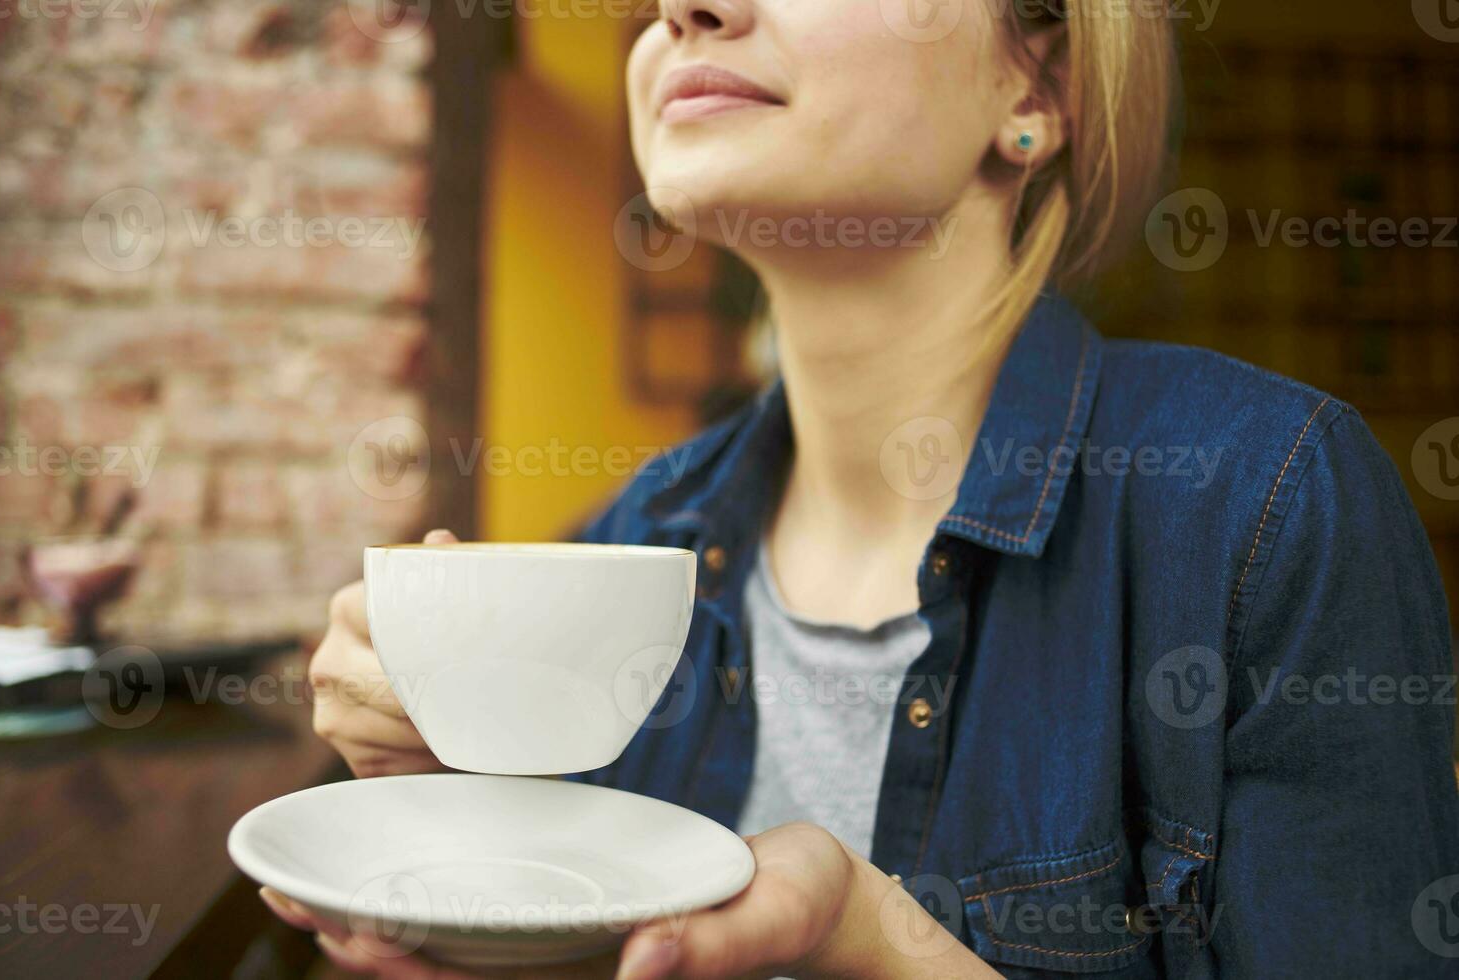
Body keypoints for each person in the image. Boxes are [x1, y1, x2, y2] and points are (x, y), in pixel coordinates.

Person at [263, 0, 1459, 975]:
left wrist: (870, 940)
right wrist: (456, 826)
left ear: (1034, 89)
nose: (685, 11)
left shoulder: (1266, 500)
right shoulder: (634, 537)